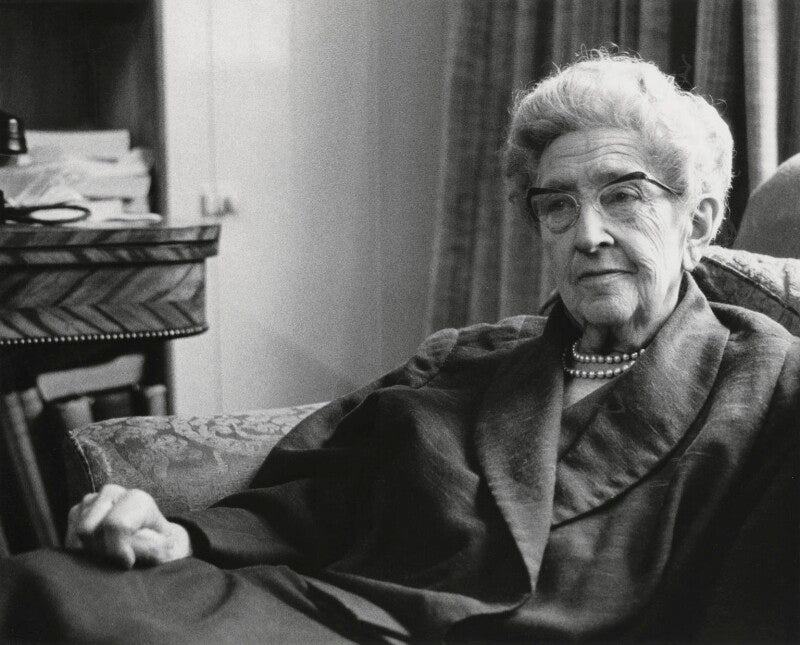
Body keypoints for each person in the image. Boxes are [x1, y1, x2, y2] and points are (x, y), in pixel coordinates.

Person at [1, 51, 798, 643]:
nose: (588, 233)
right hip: (333, 611)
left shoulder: (769, 381)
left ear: (698, 220)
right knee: (38, 589)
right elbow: (319, 491)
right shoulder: (467, 360)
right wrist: (180, 534)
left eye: (623, 196)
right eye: (557, 206)